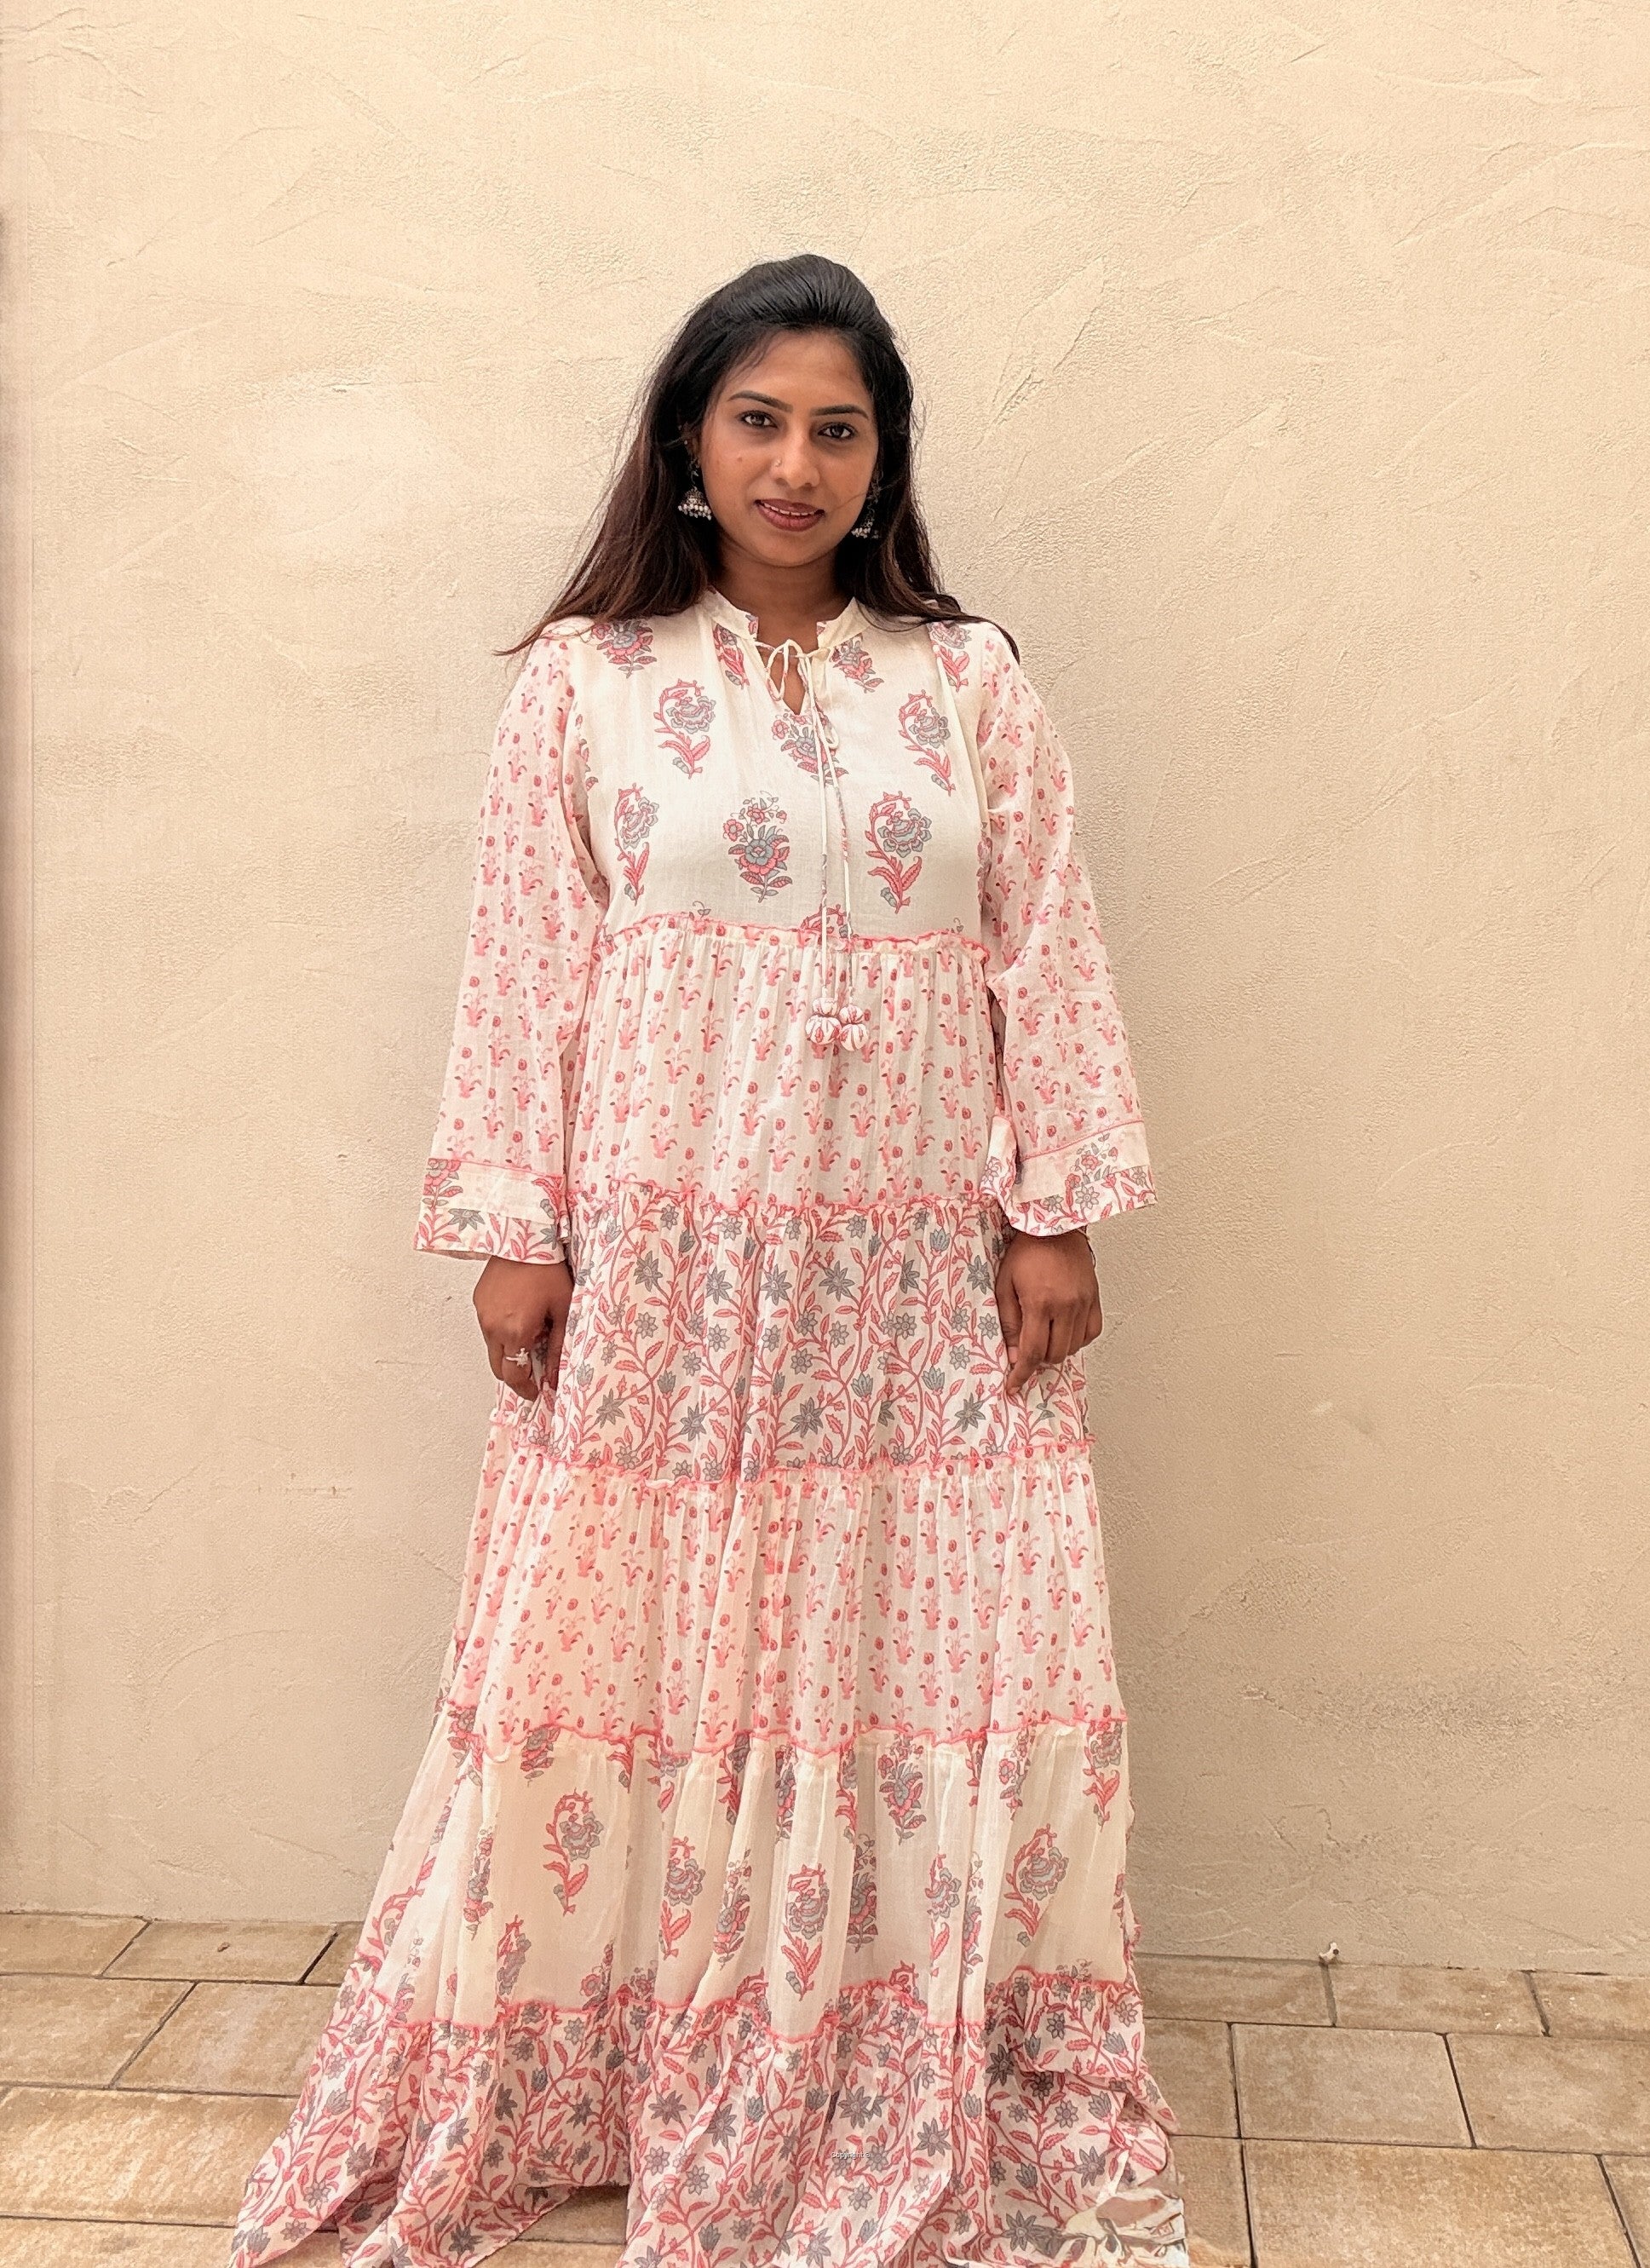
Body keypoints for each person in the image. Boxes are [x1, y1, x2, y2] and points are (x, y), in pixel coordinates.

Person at [230, 253, 1187, 2268]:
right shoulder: (583, 681)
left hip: (914, 1265)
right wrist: (514, 1228)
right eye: (757, 418)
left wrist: (1052, 1204)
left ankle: (878, 2030)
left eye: (837, 426)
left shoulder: (967, 679)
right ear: (688, 442)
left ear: (879, 458)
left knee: (909, 1625)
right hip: (664, 1252)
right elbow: (523, 971)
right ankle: (623, 2041)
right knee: (644, 1639)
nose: (795, 459)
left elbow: (1043, 943)